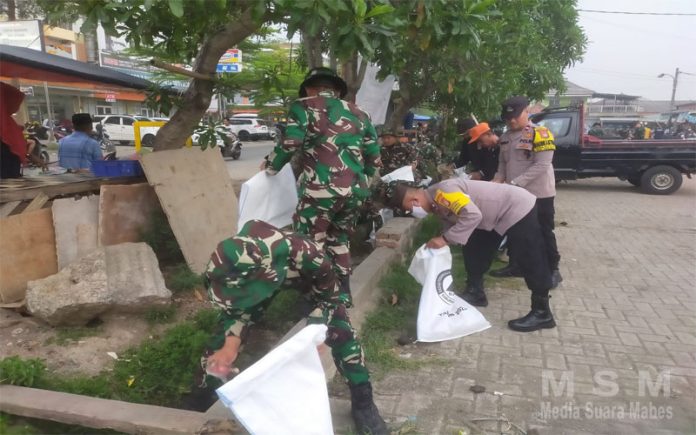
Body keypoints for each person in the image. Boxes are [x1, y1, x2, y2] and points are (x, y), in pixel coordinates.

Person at [193, 219, 388, 434]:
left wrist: (316, 331)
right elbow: (236, 312)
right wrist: (230, 345)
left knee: (342, 333)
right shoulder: (226, 264)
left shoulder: (309, 254)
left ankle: (363, 400)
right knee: (220, 344)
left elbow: (330, 299)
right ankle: (205, 392)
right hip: (260, 278)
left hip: (310, 282)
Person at [264, 67, 380, 293]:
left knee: (310, 244)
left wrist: (270, 166)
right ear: (337, 91)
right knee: (339, 240)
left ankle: (316, 298)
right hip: (355, 193)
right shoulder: (360, 113)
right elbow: (374, 157)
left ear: (309, 89)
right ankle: (342, 294)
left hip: (320, 192)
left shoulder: (303, 106)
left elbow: (291, 143)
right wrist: (361, 182)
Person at [385, 180, 556, 332]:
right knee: (475, 249)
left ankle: (542, 312)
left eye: (410, 209)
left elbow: (472, 215)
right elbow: (451, 220)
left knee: (529, 256)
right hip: (490, 216)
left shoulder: (444, 192)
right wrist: (443, 239)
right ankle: (475, 292)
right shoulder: (434, 200)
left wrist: (445, 239)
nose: (413, 212)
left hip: (516, 206)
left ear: (414, 201)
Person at [491, 96, 562, 288]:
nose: (512, 120)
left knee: (543, 231)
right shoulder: (505, 138)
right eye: (508, 118)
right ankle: (517, 265)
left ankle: (553, 270)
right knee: (515, 230)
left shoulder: (541, 133)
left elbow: (542, 165)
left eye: (515, 116)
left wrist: (515, 183)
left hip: (539, 194)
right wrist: (496, 182)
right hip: (515, 195)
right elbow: (502, 165)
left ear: (527, 112)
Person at [1, 82, 46, 178]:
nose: (16, 107)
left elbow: (15, 145)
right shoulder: (5, 123)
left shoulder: (8, 122)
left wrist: (32, 157)